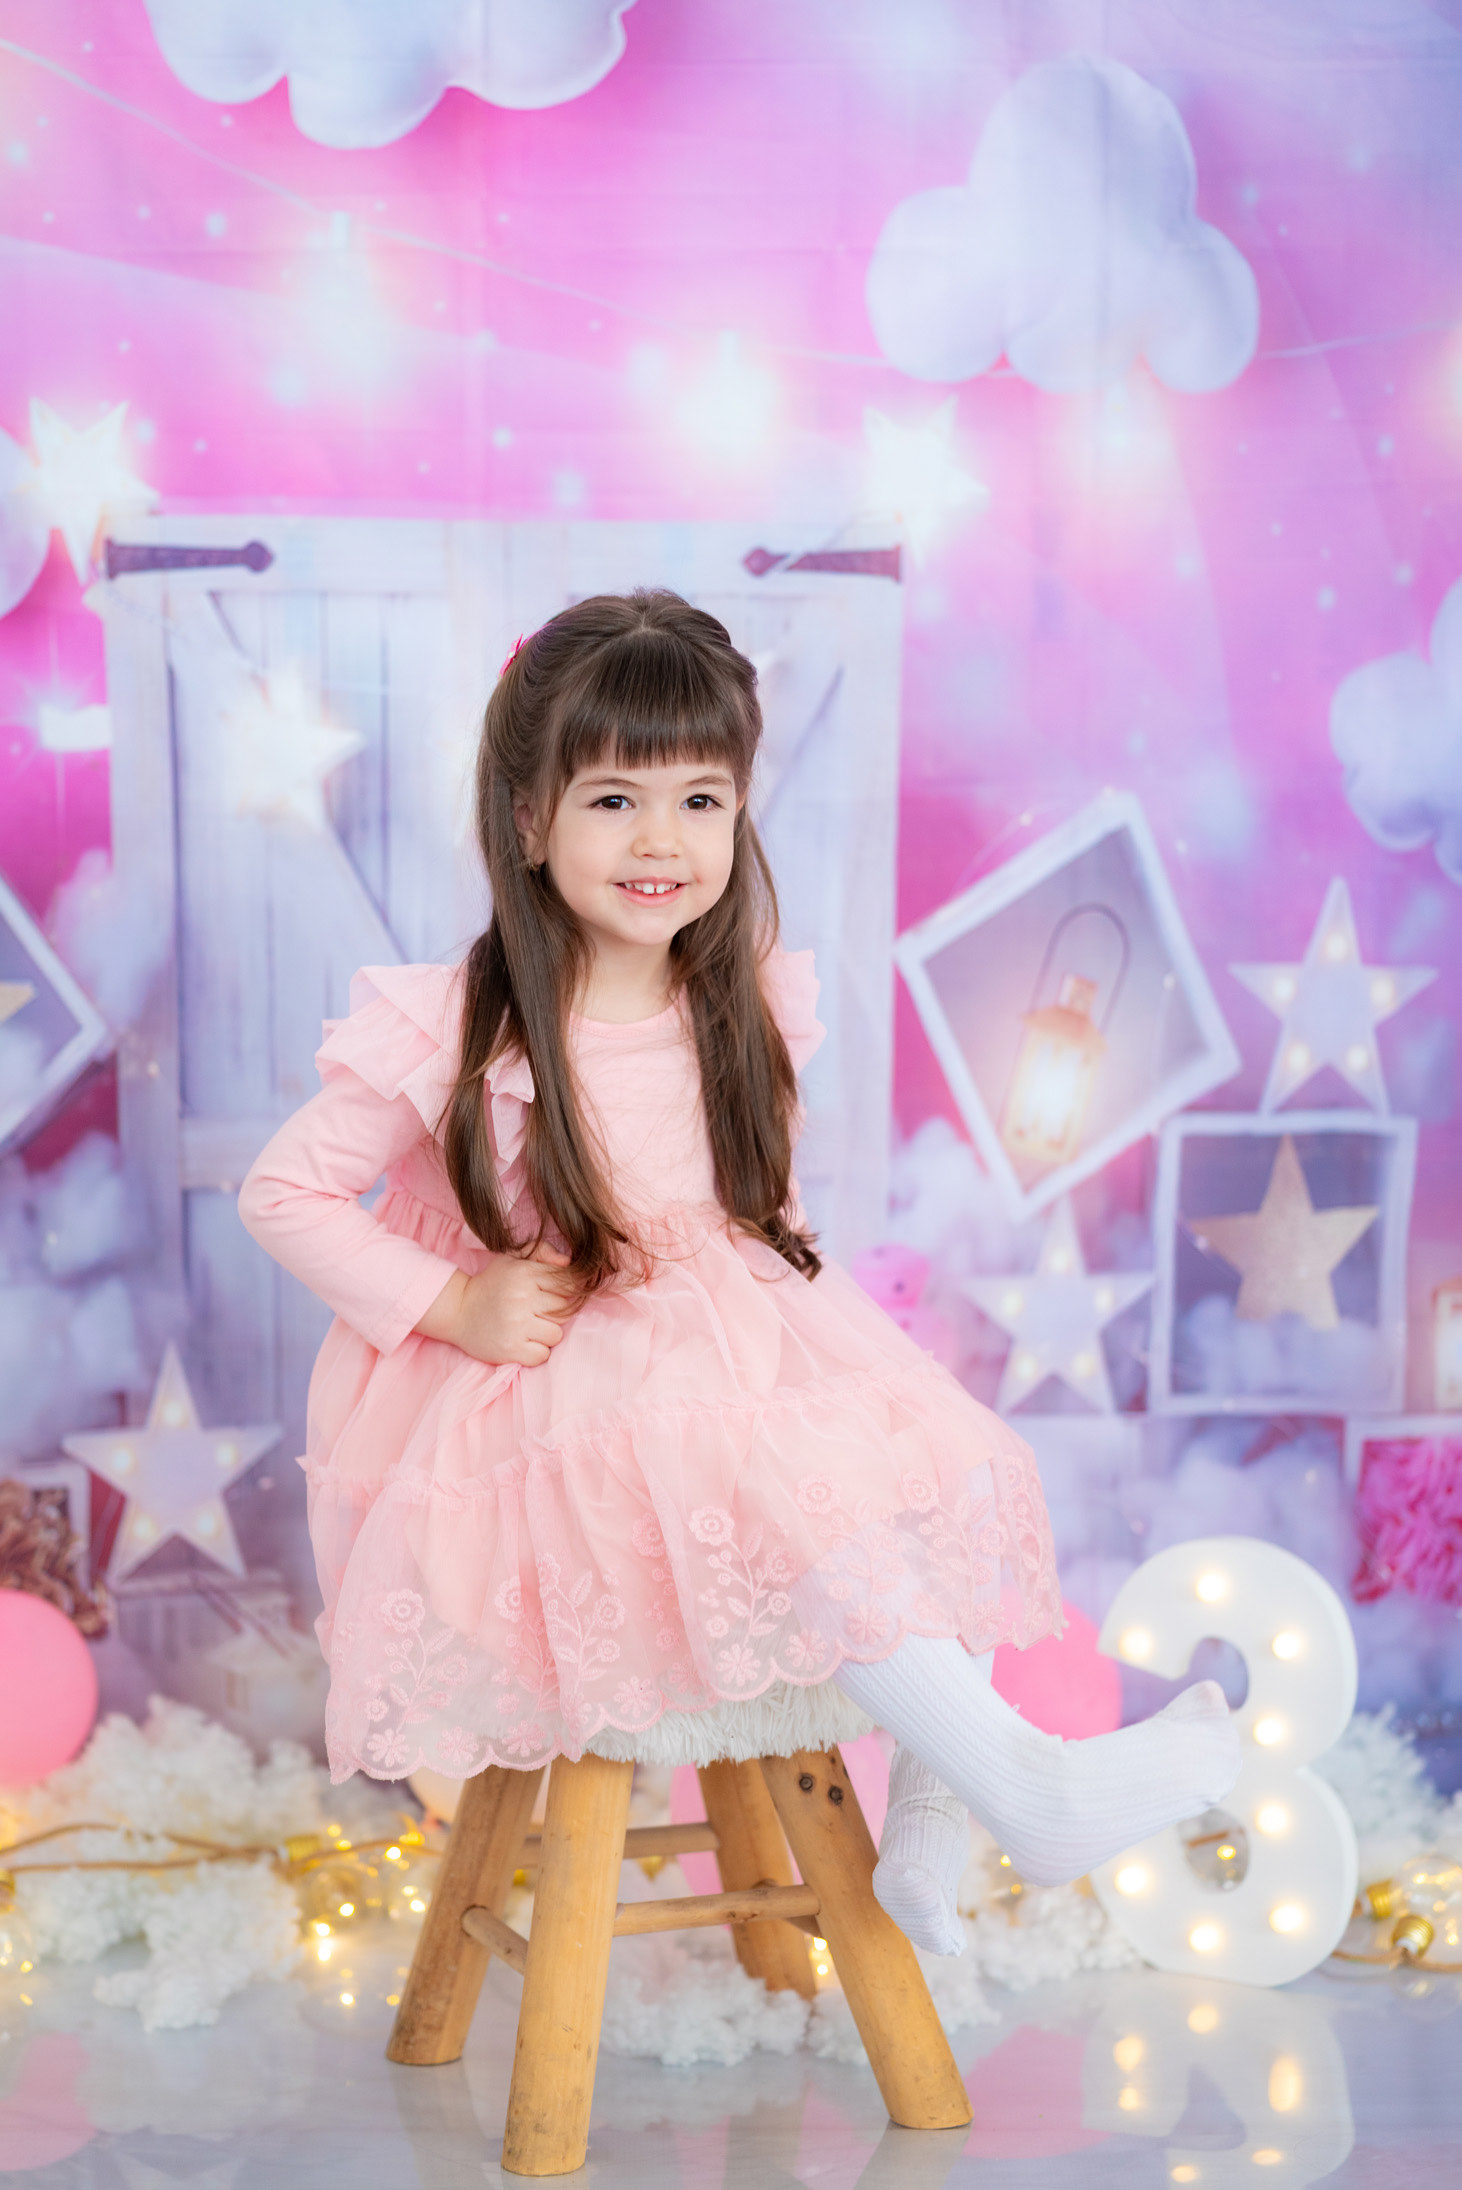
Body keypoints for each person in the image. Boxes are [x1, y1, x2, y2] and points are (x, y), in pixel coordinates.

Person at [239, 588, 1239, 1958]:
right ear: (527, 822)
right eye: (613, 801)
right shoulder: (462, 1021)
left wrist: (801, 1335)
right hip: (572, 1388)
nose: (661, 840)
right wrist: (455, 1302)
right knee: (774, 1476)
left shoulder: (741, 996)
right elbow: (281, 1190)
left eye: (700, 801)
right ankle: (1037, 1791)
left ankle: (934, 1831)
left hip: (725, 1339)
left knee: (935, 1456)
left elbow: (748, 1200)